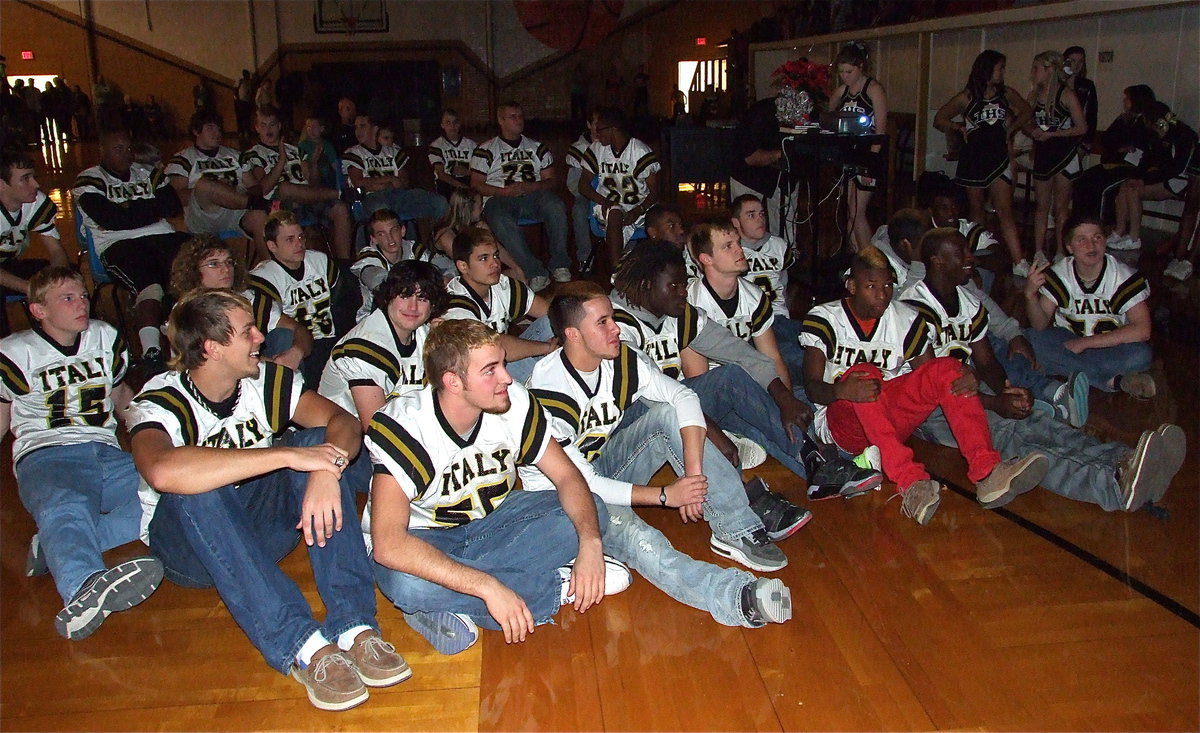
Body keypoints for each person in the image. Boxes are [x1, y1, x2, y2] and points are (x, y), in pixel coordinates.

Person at [128, 289, 407, 711]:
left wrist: (324, 468)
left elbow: (343, 422)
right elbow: (163, 470)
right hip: (192, 551)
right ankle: (303, 645)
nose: (261, 337)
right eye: (247, 332)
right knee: (201, 485)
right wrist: (289, 454)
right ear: (212, 348)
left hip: (261, 529)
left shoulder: (264, 380)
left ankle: (355, 627)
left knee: (318, 442)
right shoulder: (159, 400)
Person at [520, 282, 795, 623]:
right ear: (573, 335)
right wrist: (666, 496)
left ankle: (735, 529)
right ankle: (738, 597)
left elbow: (684, 398)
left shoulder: (621, 359)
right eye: (603, 322)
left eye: (613, 318)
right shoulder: (548, 393)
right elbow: (584, 485)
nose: (616, 328)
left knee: (666, 414)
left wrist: (693, 475)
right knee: (642, 538)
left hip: (602, 468)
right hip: (563, 500)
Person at [365, 318, 622, 654]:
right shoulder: (404, 426)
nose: (507, 377)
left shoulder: (514, 401)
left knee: (594, 512)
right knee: (404, 582)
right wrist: (488, 587)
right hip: (425, 539)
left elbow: (567, 476)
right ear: (453, 382)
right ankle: (554, 586)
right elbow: (389, 544)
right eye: (491, 370)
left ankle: (452, 603)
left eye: (502, 362)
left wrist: (590, 543)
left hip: (494, 524)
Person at [902, 228, 1186, 513]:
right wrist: (995, 403)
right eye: (960, 253)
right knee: (1014, 438)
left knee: (1038, 421)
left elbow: (986, 362)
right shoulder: (911, 308)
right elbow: (934, 387)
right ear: (937, 261)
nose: (970, 258)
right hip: (929, 410)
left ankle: (1126, 461)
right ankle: (1112, 486)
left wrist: (1008, 389)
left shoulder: (966, 300)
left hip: (967, 386)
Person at [800, 245, 1048, 525]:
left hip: (890, 420)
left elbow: (929, 378)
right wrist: (839, 391)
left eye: (887, 286)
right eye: (871, 286)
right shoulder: (825, 317)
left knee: (946, 368)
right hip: (841, 424)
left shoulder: (906, 319)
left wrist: (964, 377)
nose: (882, 295)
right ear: (852, 286)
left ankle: (988, 472)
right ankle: (911, 484)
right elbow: (811, 386)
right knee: (864, 374)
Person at [610, 240, 876, 500]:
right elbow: (653, 395)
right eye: (675, 285)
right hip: (631, 426)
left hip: (679, 405)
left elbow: (743, 355)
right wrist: (711, 429)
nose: (683, 291)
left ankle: (816, 465)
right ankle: (746, 499)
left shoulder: (677, 314)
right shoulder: (613, 327)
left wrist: (783, 398)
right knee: (697, 405)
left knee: (742, 394)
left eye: (684, 283)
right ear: (646, 286)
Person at [1, 267, 163, 640]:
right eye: (67, 298)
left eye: (83, 296)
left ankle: (58, 543)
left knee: (165, 487)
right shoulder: (15, 351)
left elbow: (121, 395)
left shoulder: (105, 337)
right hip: (46, 453)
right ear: (38, 310)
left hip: (104, 451)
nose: (81, 304)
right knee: (65, 505)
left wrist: (151, 437)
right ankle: (83, 588)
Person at [74, 130, 192, 374]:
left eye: (129, 148)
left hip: (162, 237)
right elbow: (112, 219)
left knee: (202, 259)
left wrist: (129, 210)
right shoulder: (89, 180)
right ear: (102, 151)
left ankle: (197, 333)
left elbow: (171, 206)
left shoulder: (148, 172)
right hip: (118, 245)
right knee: (150, 284)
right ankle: (151, 352)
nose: (126, 154)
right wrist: (149, 208)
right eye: (118, 149)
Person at [1023, 214, 1156, 398]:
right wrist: (1030, 295)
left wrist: (1085, 343)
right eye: (1081, 239)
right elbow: (1039, 324)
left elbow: (1143, 330)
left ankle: (1067, 371)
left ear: (1105, 241)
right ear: (1069, 247)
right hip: (1067, 340)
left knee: (1140, 354)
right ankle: (1112, 381)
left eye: (1097, 237)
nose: (1091, 245)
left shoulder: (1122, 276)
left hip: (1108, 346)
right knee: (1030, 338)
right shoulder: (1061, 273)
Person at [935, 50, 1033, 276]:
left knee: (1005, 210)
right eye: (1000, 68)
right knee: (976, 209)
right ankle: (972, 255)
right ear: (987, 70)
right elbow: (940, 117)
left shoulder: (1006, 94)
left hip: (998, 157)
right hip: (974, 158)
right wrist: (959, 127)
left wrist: (1012, 127)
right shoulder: (966, 97)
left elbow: (1026, 110)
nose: (1003, 72)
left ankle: (1019, 261)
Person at [319, 260, 446, 427]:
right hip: (345, 439)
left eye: (422, 299)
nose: (413, 307)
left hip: (403, 427)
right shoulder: (363, 348)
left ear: (433, 305)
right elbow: (376, 431)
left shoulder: (425, 334)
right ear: (389, 296)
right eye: (405, 295)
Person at [470, 101, 572, 292]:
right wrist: (504, 192)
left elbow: (552, 180)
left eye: (520, 116)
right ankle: (535, 271)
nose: (519, 120)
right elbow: (476, 184)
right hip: (501, 197)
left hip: (533, 194)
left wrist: (532, 186)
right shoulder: (486, 150)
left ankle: (559, 263)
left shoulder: (537, 147)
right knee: (498, 217)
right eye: (513, 116)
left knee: (556, 205)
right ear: (501, 120)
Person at [168, 235, 311, 371]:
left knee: (284, 336)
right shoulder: (186, 311)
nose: (226, 269)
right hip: (213, 382)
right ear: (193, 270)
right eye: (214, 264)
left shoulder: (250, 299)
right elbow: (200, 364)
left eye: (229, 262)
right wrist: (267, 363)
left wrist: (296, 352)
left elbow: (299, 331)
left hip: (257, 368)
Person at [442, 227, 555, 384]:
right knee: (536, 365)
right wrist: (546, 348)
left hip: (501, 359)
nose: (494, 264)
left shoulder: (501, 284)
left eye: (495, 256)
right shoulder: (453, 305)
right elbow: (491, 346)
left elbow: (553, 312)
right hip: (472, 374)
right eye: (483, 258)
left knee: (554, 321)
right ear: (463, 266)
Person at [240, 105, 354, 261]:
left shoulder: (296, 150)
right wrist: (281, 162)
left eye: (272, 124)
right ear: (256, 128)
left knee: (340, 208)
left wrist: (313, 164)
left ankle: (344, 265)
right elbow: (263, 189)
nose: (268, 129)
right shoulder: (253, 154)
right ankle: (341, 193)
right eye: (263, 125)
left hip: (306, 199)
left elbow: (314, 183)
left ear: (279, 126)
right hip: (276, 205)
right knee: (286, 187)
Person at [248, 212, 343, 387]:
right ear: (272, 245)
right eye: (290, 239)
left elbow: (344, 304)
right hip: (295, 349)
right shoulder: (262, 279)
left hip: (330, 340)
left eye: (301, 237)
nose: (299, 244)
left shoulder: (321, 261)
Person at [165, 110, 270, 256]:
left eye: (219, 128)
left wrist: (230, 194)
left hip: (234, 212)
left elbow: (255, 187)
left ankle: (273, 269)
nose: (217, 132)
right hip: (202, 215)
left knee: (259, 216)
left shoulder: (235, 155)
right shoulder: (184, 159)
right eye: (210, 127)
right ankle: (257, 203)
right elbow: (176, 197)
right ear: (196, 131)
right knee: (206, 185)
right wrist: (217, 191)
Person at [342, 114, 448, 247]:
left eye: (362, 126)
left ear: (375, 129)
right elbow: (359, 182)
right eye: (356, 127)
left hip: (398, 195)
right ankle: (389, 252)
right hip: (370, 198)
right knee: (383, 211)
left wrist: (386, 183)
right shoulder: (353, 153)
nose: (358, 131)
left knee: (440, 203)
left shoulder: (393, 152)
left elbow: (404, 180)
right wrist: (389, 179)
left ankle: (437, 248)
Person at [729, 194, 803, 380]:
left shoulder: (778, 245)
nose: (760, 219)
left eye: (762, 214)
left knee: (817, 342)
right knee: (797, 358)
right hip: (753, 324)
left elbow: (786, 281)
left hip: (780, 317)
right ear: (736, 222)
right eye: (751, 215)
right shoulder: (732, 251)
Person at [577, 107, 661, 269]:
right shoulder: (597, 149)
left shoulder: (639, 151)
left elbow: (655, 191)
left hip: (639, 207)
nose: (597, 133)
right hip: (609, 205)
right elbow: (583, 185)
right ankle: (616, 272)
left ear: (613, 129)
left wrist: (639, 209)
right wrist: (604, 201)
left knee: (665, 218)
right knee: (615, 212)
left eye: (600, 129)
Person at [1109, 102, 1197, 253]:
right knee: (1126, 185)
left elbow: (1176, 169)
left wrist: (1144, 180)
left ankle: (1134, 238)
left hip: (1178, 181)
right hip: (1162, 177)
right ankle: (1119, 231)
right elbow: (1147, 159)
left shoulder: (1183, 136)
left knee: (1134, 191)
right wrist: (1136, 177)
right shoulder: (1154, 135)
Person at [1025, 50, 1088, 260]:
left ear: (1050, 70)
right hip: (1044, 153)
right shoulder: (1034, 96)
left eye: (1037, 68)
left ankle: (1062, 250)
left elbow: (1082, 127)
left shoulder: (1066, 94)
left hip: (1064, 153)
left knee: (1061, 207)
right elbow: (1027, 122)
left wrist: (1054, 134)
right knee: (1042, 206)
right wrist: (1031, 131)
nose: (1033, 73)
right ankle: (1038, 251)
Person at [828, 42, 889, 252]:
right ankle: (855, 256)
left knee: (857, 211)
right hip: (848, 155)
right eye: (841, 72)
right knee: (849, 212)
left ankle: (872, 259)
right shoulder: (842, 90)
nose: (845, 76)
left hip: (867, 155)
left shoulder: (873, 89)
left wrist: (871, 161)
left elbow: (880, 129)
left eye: (849, 71)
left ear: (861, 67)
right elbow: (829, 115)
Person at [1072, 85, 1158, 227]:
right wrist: (1119, 147)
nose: (1124, 102)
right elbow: (1106, 139)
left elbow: (1148, 146)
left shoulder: (1147, 122)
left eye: (1127, 99)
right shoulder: (1124, 119)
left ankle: (1101, 223)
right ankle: (1080, 221)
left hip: (1132, 166)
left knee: (1102, 186)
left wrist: (1130, 147)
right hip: (1114, 161)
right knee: (1084, 179)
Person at [0, 149, 68, 298]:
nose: (36, 184)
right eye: (25, 179)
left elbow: (56, 251)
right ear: (2, 184)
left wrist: (56, 281)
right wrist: (32, 289)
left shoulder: (37, 202)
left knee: (69, 277)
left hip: (8, 265)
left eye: (33, 177)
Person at [729, 95, 789, 244]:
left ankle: (784, 257)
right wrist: (781, 154)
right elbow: (750, 157)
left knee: (786, 225)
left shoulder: (809, 115)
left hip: (782, 176)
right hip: (748, 176)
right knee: (747, 223)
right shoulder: (760, 115)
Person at [432, 189, 522, 282]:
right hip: (449, 272)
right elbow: (466, 265)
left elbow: (497, 249)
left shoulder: (479, 225)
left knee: (514, 274)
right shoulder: (446, 235)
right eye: (480, 206)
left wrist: (516, 268)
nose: (482, 209)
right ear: (469, 209)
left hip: (475, 267)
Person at [565, 110, 600, 273]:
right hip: (586, 193)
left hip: (611, 191)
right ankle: (585, 257)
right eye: (596, 123)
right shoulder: (578, 149)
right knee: (579, 210)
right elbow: (575, 183)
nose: (600, 128)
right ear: (589, 125)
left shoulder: (613, 144)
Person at [428, 109, 477, 199]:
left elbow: (479, 170)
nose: (452, 126)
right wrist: (462, 187)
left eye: (455, 122)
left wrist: (467, 172)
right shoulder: (436, 145)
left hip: (467, 180)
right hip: (447, 184)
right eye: (448, 122)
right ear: (442, 125)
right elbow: (440, 174)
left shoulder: (472, 145)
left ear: (460, 124)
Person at [1062, 46, 1098, 155]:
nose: (1077, 65)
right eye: (1073, 61)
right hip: (1059, 134)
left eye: (1081, 61)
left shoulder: (1087, 86)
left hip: (1078, 137)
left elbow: (1092, 113)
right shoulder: (1056, 83)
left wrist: (1088, 140)